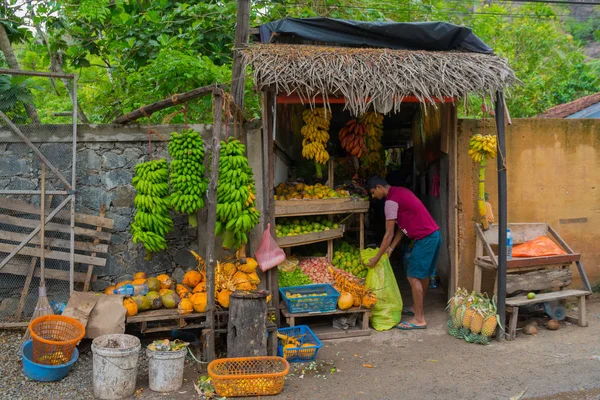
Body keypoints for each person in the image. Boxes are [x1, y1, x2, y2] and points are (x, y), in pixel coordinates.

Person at [366, 176, 441, 330]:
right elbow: (402, 227)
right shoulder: (400, 192)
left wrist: (376, 257)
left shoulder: (390, 202)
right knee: (423, 274)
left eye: (373, 193)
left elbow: (388, 234)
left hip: (425, 239)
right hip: (433, 235)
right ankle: (416, 308)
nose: (374, 197)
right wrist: (391, 248)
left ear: (379, 187)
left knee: (413, 277)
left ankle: (419, 319)